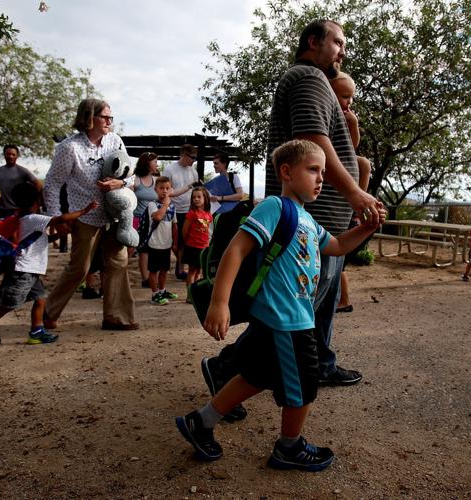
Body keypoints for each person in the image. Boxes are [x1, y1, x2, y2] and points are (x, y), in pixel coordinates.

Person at [201, 20, 385, 419]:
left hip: (324, 222)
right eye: (337, 42)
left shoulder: (318, 85)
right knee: (290, 312)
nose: (342, 51)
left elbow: (335, 145)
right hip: (309, 221)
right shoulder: (307, 78)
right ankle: (226, 368)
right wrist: (353, 193)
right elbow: (315, 142)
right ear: (313, 42)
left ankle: (314, 366)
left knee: (311, 311)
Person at [175, 139, 385, 470]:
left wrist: (366, 228)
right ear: (286, 172)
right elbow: (236, 250)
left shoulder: (308, 220)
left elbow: (340, 245)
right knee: (304, 383)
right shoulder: (275, 207)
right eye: (313, 169)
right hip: (285, 321)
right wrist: (219, 302)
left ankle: (201, 422)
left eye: (323, 172)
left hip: (291, 318)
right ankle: (289, 447)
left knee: (255, 376)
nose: (320, 178)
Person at [43, 98, 138, 331]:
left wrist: (120, 182)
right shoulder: (69, 148)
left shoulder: (115, 141)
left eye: (110, 117)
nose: (109, 121)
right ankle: (46, 313)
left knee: (119, 262)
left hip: (114, 214)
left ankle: (117, 317)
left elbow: (131, 176)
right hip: (85, 216)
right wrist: (56, 218)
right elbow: (53, 184)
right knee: (80, 268)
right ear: (89, 119)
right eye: (104, 117)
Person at [0, 183, 97, 346]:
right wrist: (84, 211)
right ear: (35, 202)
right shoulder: (33, 218)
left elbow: (37, 240)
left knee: (40, 299)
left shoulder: (23, 218)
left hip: (30, 270)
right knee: (9, 304)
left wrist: (57, 237)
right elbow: (59, 219)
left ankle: (36, 332)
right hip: (23, 270)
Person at [330, 71, 372, 313]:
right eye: (345, 96)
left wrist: (353, 123)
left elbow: (352, 146)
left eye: (351, 98)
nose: (349, 102)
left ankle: (358, 204)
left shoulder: (346, 118)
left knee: (364, 164)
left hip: (342, 159)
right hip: (327, 160)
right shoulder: (324, 111)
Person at [163, 144, 199, 280]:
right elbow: (167, 191)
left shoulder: (193, 171)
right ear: (184, 154)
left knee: (185, 241)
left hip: (189, 210)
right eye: (192, 157)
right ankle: (178, 266)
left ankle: (180, 269)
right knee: (174, 241)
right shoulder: (169, 169)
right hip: (172, 210)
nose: (193, 160)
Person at [146, 176, 179, 306]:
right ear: (156, 190)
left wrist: (175, 242)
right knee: (153, 270)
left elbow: (174, 225)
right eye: (161, 188)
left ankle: (162, 290)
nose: (164, 191)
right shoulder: (152, 204)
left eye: (167, 188)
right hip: (154, 243)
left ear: (170, 189)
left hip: (166, 244)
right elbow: (158, 217)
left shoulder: (172, 206)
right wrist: (165, 204)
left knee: (164, 269)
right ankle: (155, 294)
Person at [131, 151, 160, 288]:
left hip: (151, 221)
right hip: (136, 220)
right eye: (154, 161)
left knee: (146, 250)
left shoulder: (157, 181)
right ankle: (119, 274)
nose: (157, 164)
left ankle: (146, 279)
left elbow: (171, 192)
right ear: (147, 164)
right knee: (130, 249)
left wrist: (189, 187)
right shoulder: (135, 179)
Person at [0, 145, 43, 219]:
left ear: (17, 156)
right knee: (4, 230)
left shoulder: (22, 171)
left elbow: (38, 184)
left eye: (13, 154)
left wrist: (31, 201)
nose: (10, 156)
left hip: (20, 210)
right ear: (4, 155)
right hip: (4, 209)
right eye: (8, 154)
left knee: (21, 230)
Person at [182, 186, 212, 297]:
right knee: (192, 271)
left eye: (199, 197)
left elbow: (208, 232)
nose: (196, 199)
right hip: (192, 247)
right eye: (194, 197)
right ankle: (189, 295)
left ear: (205, 198)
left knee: (199, 271)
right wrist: (188, 242)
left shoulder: (208, 215)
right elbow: (185, 231)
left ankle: (196, 294)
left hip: (203, 247)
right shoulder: (192, 213)